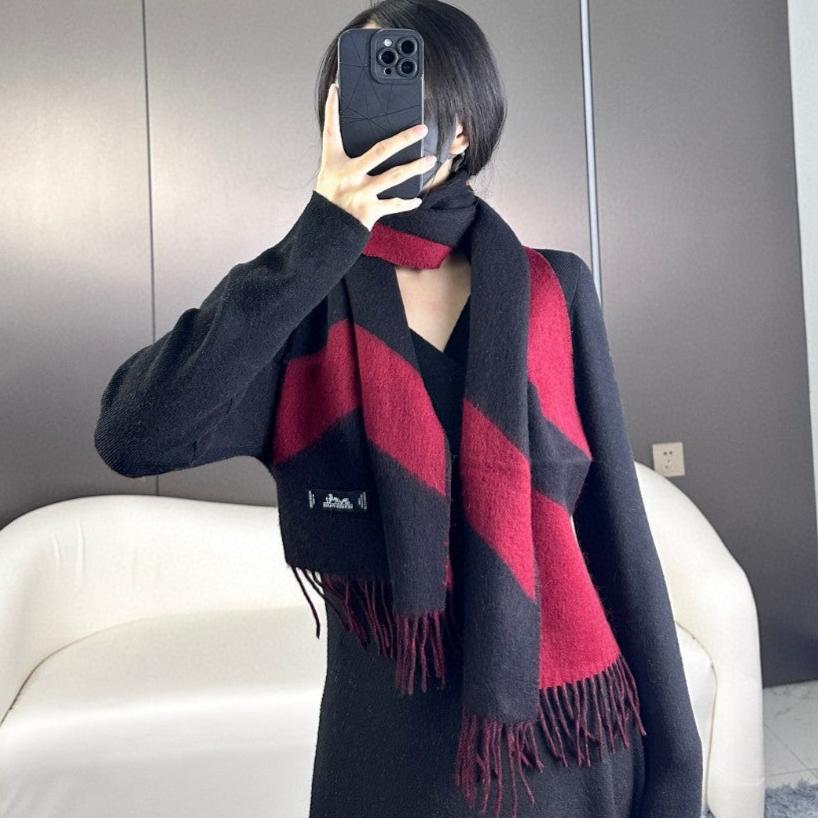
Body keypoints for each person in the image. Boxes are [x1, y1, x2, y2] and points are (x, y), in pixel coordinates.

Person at [94, 2, 703, 817]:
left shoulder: (554, 291)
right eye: (357, 96)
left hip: (573, 746)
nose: (381, 119)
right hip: (390, 760)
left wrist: (677, 773)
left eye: (409, 94)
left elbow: (617, 536)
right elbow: (135, 434)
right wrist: (320, 235)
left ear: (463, 129)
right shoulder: (303, 307)